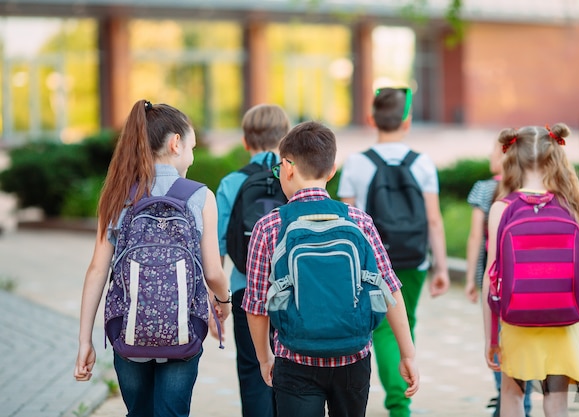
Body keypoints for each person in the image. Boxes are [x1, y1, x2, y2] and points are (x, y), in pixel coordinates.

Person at [242, 121, 419, 417]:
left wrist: (264, 358)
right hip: (353, 358)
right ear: (332, 169)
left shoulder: (269, 226)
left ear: (287, 167)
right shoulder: (359, 221)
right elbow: (389, 287)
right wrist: (408, 354)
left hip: (294, 358)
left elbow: (256, 304)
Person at [74, 99, 231, 417]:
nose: (192, 155)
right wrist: (223, 303)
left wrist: (84, 341)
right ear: (176, 143)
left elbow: (96, 271)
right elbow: (213, 272)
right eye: (192, 147)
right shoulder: (199, 196)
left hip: (127, 329)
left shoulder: (118, 194)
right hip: (183, 329)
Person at [337, 86, 449, 417]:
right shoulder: (423, 163)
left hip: (374, 262)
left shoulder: (357, 163)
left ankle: (399, 403)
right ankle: (401, 400)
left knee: (384, 328)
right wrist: (440, 267)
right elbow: (434, 219)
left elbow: (347, 221)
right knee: (406, 320)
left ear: (372, 119)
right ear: (407, 121)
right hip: (414, 258)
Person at [481, 123, 579, 417]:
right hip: (564, 321)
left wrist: (491, 337)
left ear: (511, 158)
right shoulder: (570, 206)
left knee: (512, 397)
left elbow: (490, 279)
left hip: (517, 321)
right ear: (555, 157)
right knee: (556, 404)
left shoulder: (502, 208)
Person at [216, 103, 290, 417]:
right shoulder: (294, 175)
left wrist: (215, 300)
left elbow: (217, 245)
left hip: (246, 290)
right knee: (291, 370)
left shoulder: (232, 183)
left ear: (245, 142)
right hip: (293, 289)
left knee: (252, 369)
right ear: (286, 137)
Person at [465, 139, 532, 417]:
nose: (490, 156)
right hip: (525, 284)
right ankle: (521, 401)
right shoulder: (527, 192)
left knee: (497, 339)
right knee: (521, 340)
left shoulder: (484, 189)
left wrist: (470, 278)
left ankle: (507, 398)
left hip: (493, 283)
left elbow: (474, 236)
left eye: (493, 151)